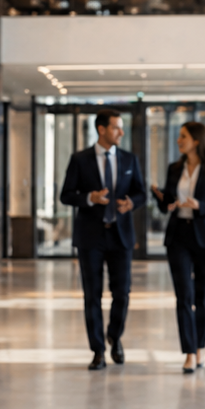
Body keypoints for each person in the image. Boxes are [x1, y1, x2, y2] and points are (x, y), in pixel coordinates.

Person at [58, 109, 146, 370]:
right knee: (92, 295)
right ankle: (97, 350)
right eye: (117, 127)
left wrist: (132, 202)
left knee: (122, 293)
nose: (121, 132)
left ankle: (114, 336)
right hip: (90, 236)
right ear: (102, 129)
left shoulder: (130, 159)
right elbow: (66, 195)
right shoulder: (80, 159)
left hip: (121, 236)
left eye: (121, 127)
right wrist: (89, 198)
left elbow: (141, 193)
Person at [151, 122, 205, 373]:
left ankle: (200, 349)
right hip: (178, 236)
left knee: (202, 297)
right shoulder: (174, 168)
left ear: (196, 140)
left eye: (183, 136)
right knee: (183, 296)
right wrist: (162, 199)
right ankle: (188, 352)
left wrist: (201, 206)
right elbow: (165, 207)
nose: (178, 140)